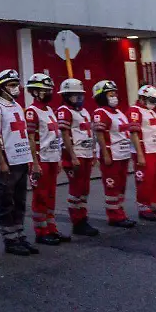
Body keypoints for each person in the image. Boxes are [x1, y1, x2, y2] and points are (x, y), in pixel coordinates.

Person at [0, 69, 37, 256]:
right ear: (1, 88)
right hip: (7, 163)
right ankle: (9, 239)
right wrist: (1, 161)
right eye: (11, 85)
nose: (16, 88)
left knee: (20, 201)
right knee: (6, 202)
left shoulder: (17, 107)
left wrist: (30, 160)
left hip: (21, 160)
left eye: (16, 84)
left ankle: (19, 235)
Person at [26, 73, 71, 246]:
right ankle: (41, 231)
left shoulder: (49, 110)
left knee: (51, 195)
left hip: (52, 158)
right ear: (35, 92)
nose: (49, 93)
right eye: (45, 90)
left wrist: (58, 158)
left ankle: (51, 228)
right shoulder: (32, 111)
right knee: (41, 196)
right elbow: (30, 138)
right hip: (41, 160)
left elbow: (54, 135)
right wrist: (35, 163)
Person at [92, 80, 138, 228]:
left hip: (123, 154)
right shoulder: (100, 113)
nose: (114, 97)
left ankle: (120, 212)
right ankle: (114, 216)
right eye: (110, 94)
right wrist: (105, 154)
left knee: (121, 186)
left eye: (115, 93)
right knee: (112, 186)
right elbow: (99, 135)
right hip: (112, 155)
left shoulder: (118, 113)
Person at [58, 78, 99, 237]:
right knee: (76, 189)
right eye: (75, 95)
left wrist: (93, 153)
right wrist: (72, 156)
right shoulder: (64, 111)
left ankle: (83, 217)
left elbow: (90, 133)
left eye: (80, 95)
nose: (79, 98)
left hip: (86, 154)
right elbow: (65, 135)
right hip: (75, 156)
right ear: (67, 96)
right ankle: (77, 221)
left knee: (84, 189)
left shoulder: (83, 111)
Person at [129, 85, 156, 221]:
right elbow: (134, 133)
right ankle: (144, 207)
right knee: (145, 180)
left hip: (155, 150)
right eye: (151, 100)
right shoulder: (135, 111)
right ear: (142, 98)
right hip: (144, 150)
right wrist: (139, 154)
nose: (153, 103)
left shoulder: (151, 111)